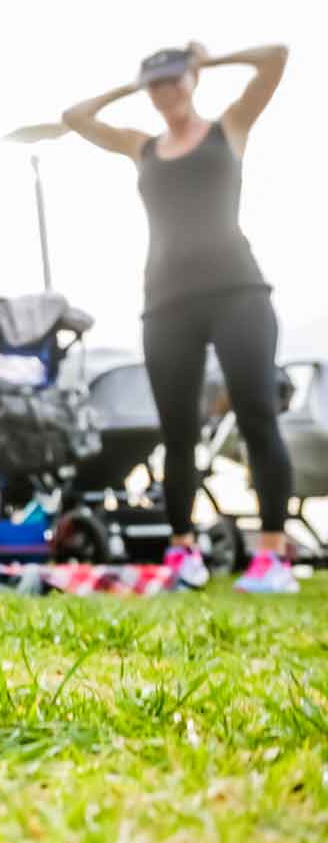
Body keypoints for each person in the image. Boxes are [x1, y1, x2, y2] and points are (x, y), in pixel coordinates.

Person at [62, 41, 297, 594]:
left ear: (191, 82)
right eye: (157, 86)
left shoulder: (228, 128)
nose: (167, 93)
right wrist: (133, 82)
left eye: (174, 82)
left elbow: (276, 58)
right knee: (177, 432)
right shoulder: (142, 146)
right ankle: (182, 549)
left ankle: (272, 556)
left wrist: (203, 62)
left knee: (258, 413)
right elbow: (75, 119)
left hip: (238, 290)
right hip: (166, 302)